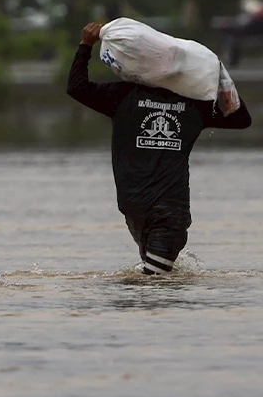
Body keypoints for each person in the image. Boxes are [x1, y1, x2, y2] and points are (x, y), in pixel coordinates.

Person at [67, 23, 252, 275]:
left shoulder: (122, 96)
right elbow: (240, 118)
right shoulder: (194, 106)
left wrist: (85, 45)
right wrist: (221, 78)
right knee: (153, 287)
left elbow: (76, 87)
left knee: (151, 286)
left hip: (156, 213)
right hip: (146, 212)